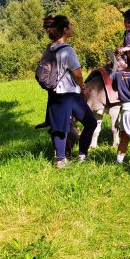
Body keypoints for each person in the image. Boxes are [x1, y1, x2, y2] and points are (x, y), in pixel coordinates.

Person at [42, 15, 98, 168]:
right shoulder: (67, 50)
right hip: (70, 94)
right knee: (90, 123)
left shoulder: (50, 49)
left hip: (54, 94)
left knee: (59, 128)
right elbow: (78, 73)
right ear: (65, 30)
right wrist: (82, 86)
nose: (73, 27)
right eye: (70, 26)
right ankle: (81, 156)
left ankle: (61, 160)